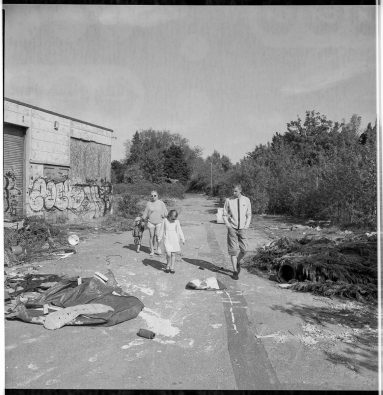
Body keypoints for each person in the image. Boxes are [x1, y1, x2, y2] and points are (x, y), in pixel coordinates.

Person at [222, 184, 252, 280]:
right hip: (232, 229)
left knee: (245, 249)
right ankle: (235, 271)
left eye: (235, 191)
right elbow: (224, 214)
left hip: (242, 228)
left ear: (240, 191)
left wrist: (246, 225)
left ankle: (238, 261)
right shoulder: (229, 200)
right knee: (233, 251)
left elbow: (249, 214)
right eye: (233, 191)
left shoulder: (246, 200)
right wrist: (228, 225)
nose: (233, 193)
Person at [158, 209, 185, 274]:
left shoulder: (177, 221)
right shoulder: (165, 220)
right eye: (172, 219)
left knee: (173, 254)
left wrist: (183, 239)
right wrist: (159, 238)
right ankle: (168, 264)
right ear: (169, 216)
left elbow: (180, 230)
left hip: (174, 239)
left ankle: (171, 267)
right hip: (167, 239)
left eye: (174, 219)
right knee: (168, 253)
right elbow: (161, 230)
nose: (173, 220)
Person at [142, 190, 168, 256]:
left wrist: (164, 215)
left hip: (159, 222)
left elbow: (166, 212)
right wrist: (142, 220)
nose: (153, 197)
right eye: (152, 196)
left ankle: (158, 248)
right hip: (151, 222)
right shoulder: (148, 203)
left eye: (155, 195)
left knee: (158, 236)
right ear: (150, 196)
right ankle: (152, 250)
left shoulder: (161, 203)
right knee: (151, 236)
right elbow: (145, 212)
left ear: (157, 196)